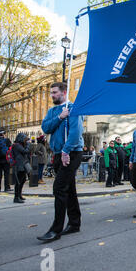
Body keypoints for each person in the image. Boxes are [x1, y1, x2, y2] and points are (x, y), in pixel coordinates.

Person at [37, 82, 84, 242]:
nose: (52, 95)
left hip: (72, 152)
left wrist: (66, 150)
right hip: (58, 153)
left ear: (63, 92)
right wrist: (59, 117)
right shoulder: (53, 111)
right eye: (51, 92)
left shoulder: (74, 108)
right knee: (69, 188)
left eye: (55, 92)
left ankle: (55, 230)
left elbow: (75, 133)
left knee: (59, 188)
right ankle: (74, 223)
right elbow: (46, 128)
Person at [12, 133, 31, 203]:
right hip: (19, 165)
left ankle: (19, 195)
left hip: (22, 165)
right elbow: (25, 151)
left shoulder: (20, 145)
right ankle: (16, 197)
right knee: (18, 182)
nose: (25, 140)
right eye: (25, 139)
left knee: (23, 180)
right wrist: (28, 145)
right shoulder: (16, 145)